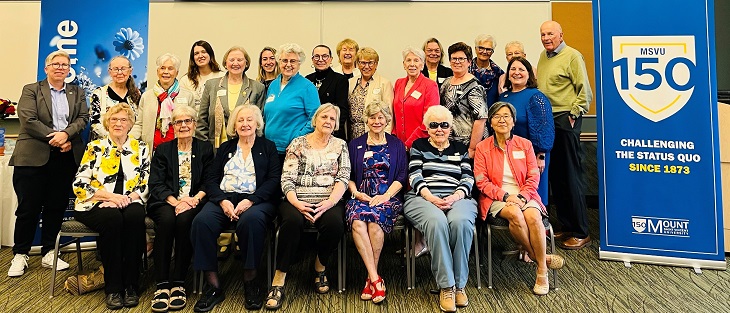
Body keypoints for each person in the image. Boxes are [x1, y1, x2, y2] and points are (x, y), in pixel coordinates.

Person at [190, 104, 281, 312]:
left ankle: (251, 281)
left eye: (249, 119)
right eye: (240, 120)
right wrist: (222, 200)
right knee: (201, 223)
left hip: (257, 200)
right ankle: (213, 286)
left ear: (257, 123)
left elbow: (274, 180)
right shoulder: (225, 148)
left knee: (251, 222)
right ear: (234, 125)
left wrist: (252, 200)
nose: (245, 124)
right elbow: (211, 179)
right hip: (225, 199)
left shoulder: (268, 147)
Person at [8, 50, 89, 278]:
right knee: (28, 208)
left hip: (64, 157)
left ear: (68, 69)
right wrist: (57, 137)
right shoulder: (31, 89)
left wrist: (66, 136)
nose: (60, 67)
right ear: (46, 68)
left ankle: (49, 252)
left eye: (64, 64)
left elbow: (83, 118)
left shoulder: (77, 92)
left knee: (56, 206)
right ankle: (20, 254)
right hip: (33, 157)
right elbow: (28, 119)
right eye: (55, 64)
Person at [473, 101, 565, 296]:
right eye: (497, 116)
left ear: (514, 122)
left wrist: (522, 196)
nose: (502, 120)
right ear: (490, 122)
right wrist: (506, 196)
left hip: (526, 194)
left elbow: (533, 176)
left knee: (533, 217)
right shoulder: (482, 147)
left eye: (506, 116)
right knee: (514, 213)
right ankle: (540, 259)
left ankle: (541, 271)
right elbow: (482, 182)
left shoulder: (525, 145)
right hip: (496, 197)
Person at [265, 103, 350, 310]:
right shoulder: (298, 143)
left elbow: (343, 177)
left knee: (335, 224)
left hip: (328, 200)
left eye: (332, 119)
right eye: (324, 117)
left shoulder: (340, 144)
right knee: (292, 222)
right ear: (315, 120)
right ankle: (279, 278)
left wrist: (329, 202)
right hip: (296, 199)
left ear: (336, 124)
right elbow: (287, 178)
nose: (328, 121)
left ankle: (320, 266)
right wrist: (297, 203)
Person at [72, 103, 150, 310]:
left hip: (130, 200)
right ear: (107, 122)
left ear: (130, 124)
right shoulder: (95, 147)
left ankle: (132, 284)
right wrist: (109, 197)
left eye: (123, 120)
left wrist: (127, 198)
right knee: (113, 219)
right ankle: (114, 288)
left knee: (134, 217)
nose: (118, 123)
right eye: (114, 119)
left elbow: (145, 181)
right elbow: (79, 183)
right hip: (95, 203)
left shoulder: (140, 147)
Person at [403, 105, 476, 313]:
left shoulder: (460, 149)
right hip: (423, 197)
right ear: (427, 127)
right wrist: (431, 197)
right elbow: (414, 175)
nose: (439, 129)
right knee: (437, 222)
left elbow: (468, 178)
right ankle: (446, 286)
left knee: (461, 222)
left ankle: (460, 285)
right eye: (433, 125)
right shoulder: (418, 146)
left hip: (458, 197)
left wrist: (455, 196)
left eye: (444, 125)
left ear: (450, 127)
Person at [147, 105, 214, 312]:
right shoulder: (163, 150)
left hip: (195, 201)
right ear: (173, 126)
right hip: (166, 201)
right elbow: (156, 183)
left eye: (188, 121)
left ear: (194, 124)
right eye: (179, 122)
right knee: (167, 222)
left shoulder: (205, 148)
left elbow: (210, 181)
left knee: (185, 221)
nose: (183, 125)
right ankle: (161, 283)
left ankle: (178, 282)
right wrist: (177, 202)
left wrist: (193, 200)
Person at [537, 20, 593, 250]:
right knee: (557, 176)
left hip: (565, 119)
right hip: (547, 120)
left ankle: (581, 231)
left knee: (571, 175)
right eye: (543, 34)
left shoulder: (572, 56)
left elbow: (585, 91)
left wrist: (574, 114)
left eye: (550, 33)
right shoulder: (543, 56)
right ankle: (567, 225)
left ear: (561, 34)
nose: (546, 37)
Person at [346, 102, 407, 304]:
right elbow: (348, 175)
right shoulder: (355, 144)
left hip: (387, 196)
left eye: (381, 117)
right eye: (372, 117)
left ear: (387, 120)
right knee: (357, 222)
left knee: (374, 222)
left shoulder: (397, 144)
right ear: (366, 119)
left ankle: (370, 278)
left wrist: (386, 196)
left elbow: (401, 175)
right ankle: (375, 278)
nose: (377, 121)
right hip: (361, 196)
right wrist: (355, 193)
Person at [500, 56, 554, 204]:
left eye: (521, 69)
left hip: (533, 156)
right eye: (513, 69)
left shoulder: (536, 97)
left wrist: (541, 155)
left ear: (529, 74)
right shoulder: (504, 96)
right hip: (509, 154)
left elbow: (545, 128)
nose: (516, 73)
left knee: (534, 196)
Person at [197, 46, 266, 149]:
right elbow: (202, 120)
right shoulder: (212, 85)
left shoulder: (257, 88)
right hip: (215, 149)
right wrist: (205, 147)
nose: (235, 63)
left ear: (246, 63)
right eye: (231, 60)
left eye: (240, 60)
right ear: (225, 63)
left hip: (246, 148)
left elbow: (260, 123)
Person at [263, 43, 320, 163]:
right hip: (269, 148)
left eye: (293, 61)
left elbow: (315, 119)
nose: (288, 64)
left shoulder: (307, 87)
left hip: (292, 150)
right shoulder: (273, 85)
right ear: (279, 62)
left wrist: (297, 138)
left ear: (299, 64)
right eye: (284, 60)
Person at [132, 53, 194, 150]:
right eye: (162, 68)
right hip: (152, 150)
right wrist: (128, 139)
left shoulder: (187, 96)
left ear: (177, 73)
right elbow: (139, 124)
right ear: (157, 72)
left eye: (170, 68)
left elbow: (193, 125)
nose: (166, 72)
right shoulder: (146, 96)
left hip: (178, 150)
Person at [439, 42, 488, 158]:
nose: (457, 62)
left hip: (468, 144)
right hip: (449, 142)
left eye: (461, 59)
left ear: (469, 62)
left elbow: (481, 119)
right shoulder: (446, 82)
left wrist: (472, 148)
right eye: (454, 58)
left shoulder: (474, 86)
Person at [392, 47, 440, 148]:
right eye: (408, 60)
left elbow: (430, 120)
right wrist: (394, 138)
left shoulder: (430, 85)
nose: (412, 64)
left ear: (422, 65)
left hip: (421, 144)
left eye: (416, 60)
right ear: (404, 64)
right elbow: (394, 115)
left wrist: (409, 144)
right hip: (398, 144)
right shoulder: (398, 83)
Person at [89, 55, 142, 141]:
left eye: (123, 69)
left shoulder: (137, 94)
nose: (120, 72)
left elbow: (139, 122)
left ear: (130, 71)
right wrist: (114, 140)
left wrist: (127, 140)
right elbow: (95, 123)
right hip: (105, 146)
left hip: (131, 144)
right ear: (110, 72)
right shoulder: (99, 94)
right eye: (116, 69)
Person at [347, 47, 394, 139]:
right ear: (357, 64)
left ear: (376, 64)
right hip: (352, 134)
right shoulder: (351, 82)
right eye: (363, 63)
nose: (366, 67)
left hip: (374, 133)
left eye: (370, 63)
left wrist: (385, 138)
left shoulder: (384, 83)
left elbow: (389, 115)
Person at [306, 45, 349, 140]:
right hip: (311, 133)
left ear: (331, 59)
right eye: (316, 56)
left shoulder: (340, 80)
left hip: (333, 134)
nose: (320, 59)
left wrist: (331, 130)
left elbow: (342, 110)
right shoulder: (307, 80)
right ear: (312, 59)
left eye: (324, 56)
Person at [180, 40, 225, 114]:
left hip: (215, 122)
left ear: (210, 55)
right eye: (196, 53)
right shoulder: (185, 80)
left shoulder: (222, 77)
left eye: (204, 52)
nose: (200, 56)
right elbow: (183, 108)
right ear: (193, 58)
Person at [469, 34, 504, 106]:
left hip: (491, 114)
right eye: (481, 48)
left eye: (488, 49)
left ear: (492, 52)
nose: (484, 52)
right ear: (475, 49)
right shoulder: (465, 71)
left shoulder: (499, 74)